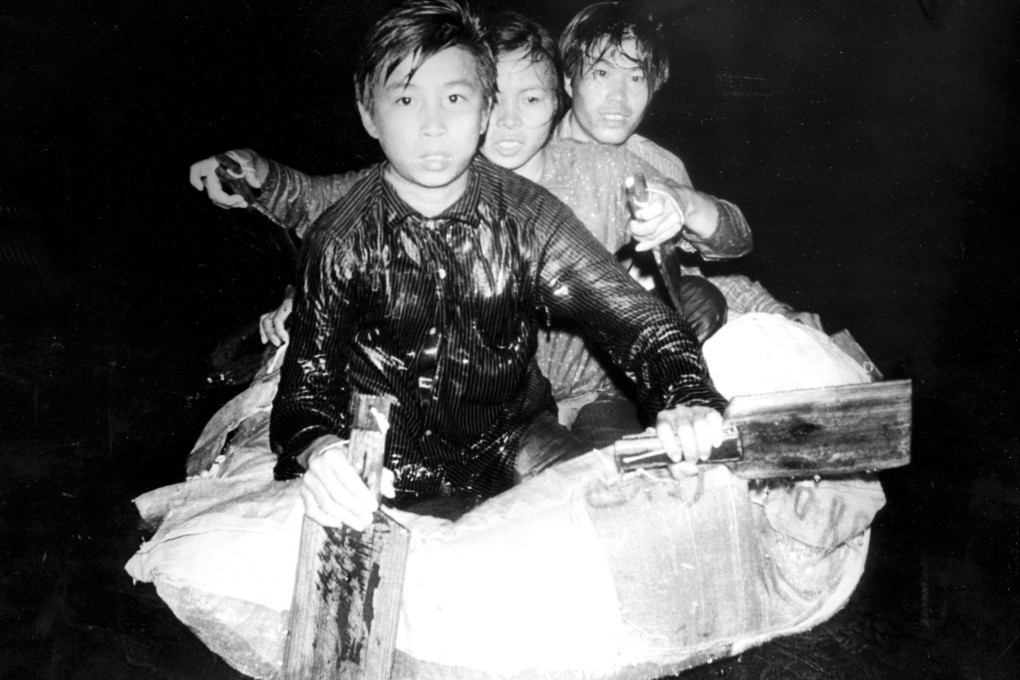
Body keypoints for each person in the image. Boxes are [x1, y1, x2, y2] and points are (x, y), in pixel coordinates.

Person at [250, 0, 727, 528]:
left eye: (455, 97)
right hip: (382, 453)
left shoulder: (529, 215)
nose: (432, 125)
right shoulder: (340, 238)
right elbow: (304, 393)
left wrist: (687, 395)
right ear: (369, 113)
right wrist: (321, 451)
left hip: (514, 436)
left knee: (624, 522)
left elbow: (635, 317)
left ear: (482, 109)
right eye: (406, 99)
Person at [556, 1, 823, 330]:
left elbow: (697, 271)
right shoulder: (535, 158)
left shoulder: (660, 166)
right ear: (569, 79)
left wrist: (776, 311)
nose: (619, 97)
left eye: (637, 76)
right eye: (601, 72)